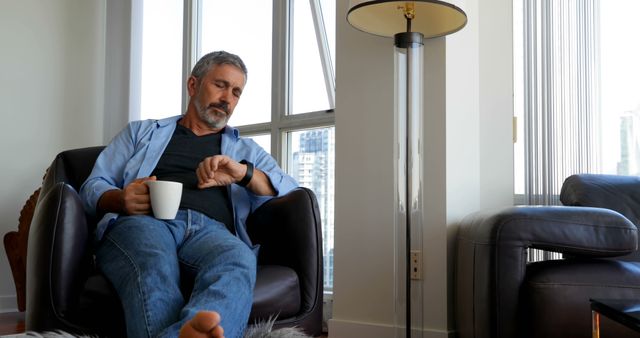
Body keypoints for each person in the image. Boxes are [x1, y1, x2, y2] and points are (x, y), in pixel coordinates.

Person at [80, 51, 298, 338]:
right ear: (193, 85)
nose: (227, 99)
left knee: (238, 260)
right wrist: (120, 199)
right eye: (220, 85)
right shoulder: (141, 133)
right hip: (145, 223)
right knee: (153, 262)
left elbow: (290, 189)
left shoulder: (244, 151)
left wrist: (242, 174)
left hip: (211, 232)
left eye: (236, 92)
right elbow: (93, 185)